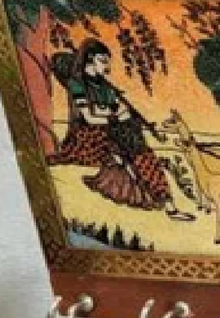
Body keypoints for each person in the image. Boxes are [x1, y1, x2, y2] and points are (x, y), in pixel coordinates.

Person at [50, 39, 193, 220]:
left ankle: (169, 206)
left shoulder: (105, 86)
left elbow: (121, 109)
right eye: (102, 61)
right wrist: (113, 116)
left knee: (143, 153)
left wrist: (111, 113)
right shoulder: (77, 84)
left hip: (114, 130)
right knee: (130, 145)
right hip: (89, 136)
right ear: (90, 59)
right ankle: (162, 200)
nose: (106, 66)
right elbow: (90, 118)